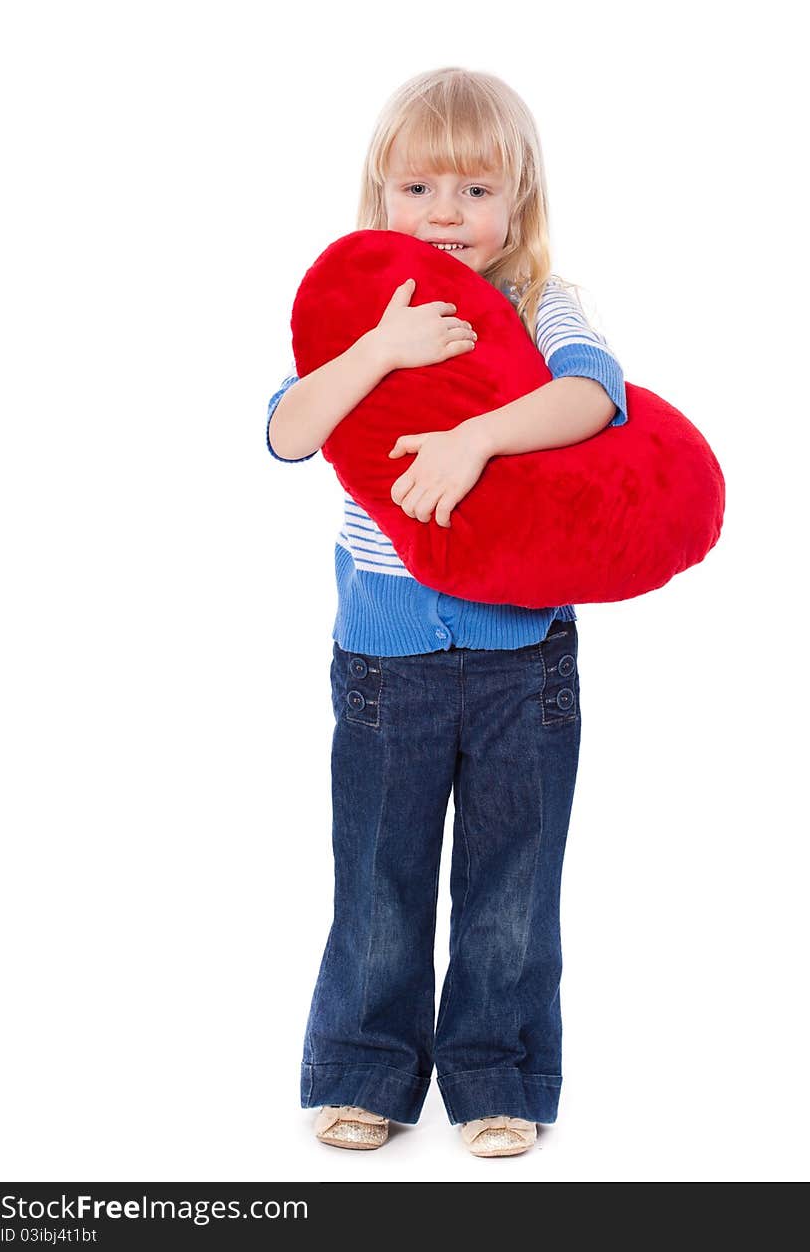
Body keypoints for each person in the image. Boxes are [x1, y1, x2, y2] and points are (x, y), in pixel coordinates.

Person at [266, 67, 628, 1158]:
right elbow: (288, 431)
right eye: (418, 187)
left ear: (516, 201)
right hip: (386, 657)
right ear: (379, 196)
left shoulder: (542, 301)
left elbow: (596, 395)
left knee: (510, 876)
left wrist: (477, 435)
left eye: (475, 192)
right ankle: (366, 1068)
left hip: (523, 653)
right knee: (379, 871)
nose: (446, 214)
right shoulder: (353, 313)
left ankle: (497, 1073)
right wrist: (379, 350)